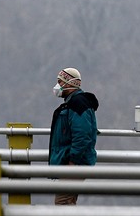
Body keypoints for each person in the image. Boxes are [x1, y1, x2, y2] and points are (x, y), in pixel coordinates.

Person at [49, 67, 99, 205]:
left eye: (60, 82)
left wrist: (73, 161)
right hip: (72, 164)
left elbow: (82, 136)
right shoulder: (73, 104)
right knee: (68, 203)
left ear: (69, 83)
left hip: (74, 165)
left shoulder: (78, 104)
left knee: (62, 204)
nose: (57, 86)